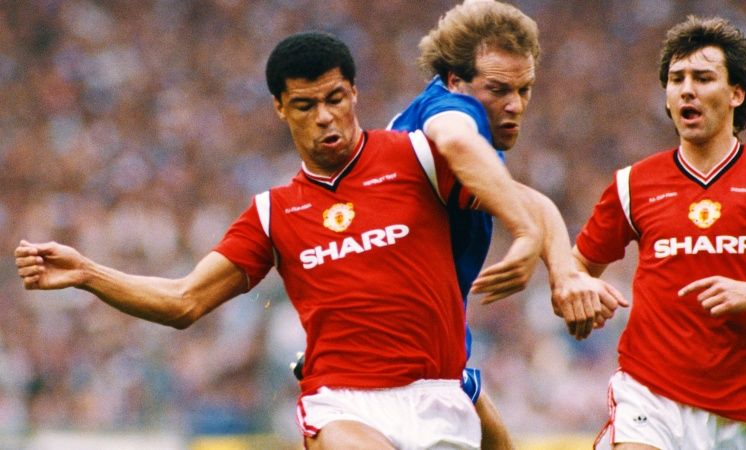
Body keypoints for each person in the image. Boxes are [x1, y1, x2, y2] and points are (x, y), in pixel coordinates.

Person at [15, 31, 545, 449]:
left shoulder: (420, 157)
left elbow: (527, 200)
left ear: (354, 92)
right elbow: (184, 301)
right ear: (280, 108)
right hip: (342, 403)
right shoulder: (273, 213)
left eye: (335, 99)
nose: (325, 118)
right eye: (305, 105)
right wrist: (88, 273)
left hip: (438, 395)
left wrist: (554, 262)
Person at [390, 1, 625, 448]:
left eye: (525, 89)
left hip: (437, 358)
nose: (514, 105)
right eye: (498, 89)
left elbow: (534, 203)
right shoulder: (447, 114)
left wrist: (565, 275)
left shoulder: (462, 135)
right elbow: (455, 137)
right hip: (399, 367)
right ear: (455, 80)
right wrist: (526, 232)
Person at [574, 16, 746, 450]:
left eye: (703, 77)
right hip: (649, 397)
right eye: (676, 79)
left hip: (739, 414)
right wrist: (578, 292)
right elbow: (578, 267)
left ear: (736, 94)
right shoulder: (633, 184)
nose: (686, 89)